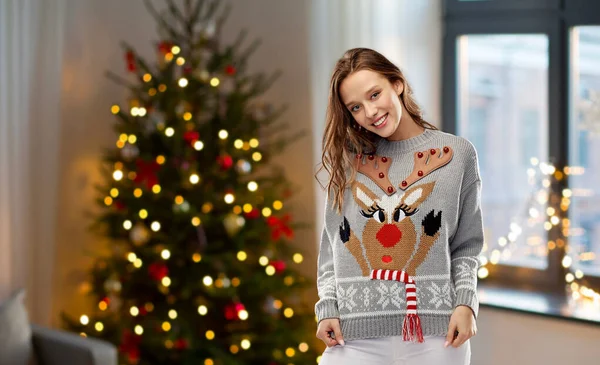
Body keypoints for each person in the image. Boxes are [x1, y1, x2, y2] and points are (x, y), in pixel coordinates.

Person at [314, 48, 484, 365]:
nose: (369, 111)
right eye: (355, 106)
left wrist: (465, 302)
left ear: (397, 84)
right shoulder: (350, 162)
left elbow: (467, 244)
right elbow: (331, 247)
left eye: (375, 94)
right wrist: (327, 307)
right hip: (353, 337)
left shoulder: (458, 154)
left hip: (436, 335)